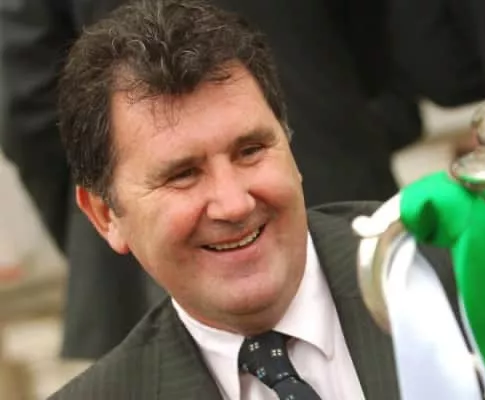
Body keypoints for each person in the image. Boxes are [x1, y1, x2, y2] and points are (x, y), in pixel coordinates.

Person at [48, 1, 457, 398]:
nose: (235, 204)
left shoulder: (457, 272)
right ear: (105, 215)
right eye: (183, 175)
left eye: (250, 151)